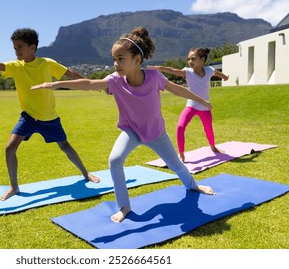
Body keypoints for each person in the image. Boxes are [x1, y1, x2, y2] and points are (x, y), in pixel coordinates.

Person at [31, 27, 215, 223]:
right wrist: (55, 84)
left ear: (137, 60)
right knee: (114, 160)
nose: (115, 64)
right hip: (131, 131)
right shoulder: (114, 80)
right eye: (114, 59)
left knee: (176, 165)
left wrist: (202, 101)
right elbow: (90, 83)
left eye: (120, 59)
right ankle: (124, 207)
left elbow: (178, 89)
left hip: (156, 133)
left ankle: (193, 185)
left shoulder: (154, 78)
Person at [0, 28, 100, 201]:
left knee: (65, 146)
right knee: (10, 148)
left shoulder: (47, 63)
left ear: (32, 47)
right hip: (29, 117)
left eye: (20, 47)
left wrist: (91, 84)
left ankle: (86, 174)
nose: (16, 51)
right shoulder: (15, 67)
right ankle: (14, 187)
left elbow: (70, 74)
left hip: (49, 118)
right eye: (15, 47)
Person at [148, 48, 229, 162]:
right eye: (188, 59)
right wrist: (158, 68)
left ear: (202, 60)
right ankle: (181, 154)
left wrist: (225, 77)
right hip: (191, 106)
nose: (190, 61)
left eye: (193, 59)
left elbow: (218, 73)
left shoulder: (209, 70)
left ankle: (213, 147)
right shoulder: (188, 72)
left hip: (205, 108)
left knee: (208, 129)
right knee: (180, 127)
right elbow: (173, 70)